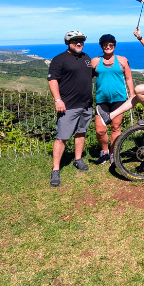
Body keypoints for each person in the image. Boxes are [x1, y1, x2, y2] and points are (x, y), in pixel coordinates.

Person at [47, 30, 94, 187]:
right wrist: (58, 100)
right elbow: (53, 80)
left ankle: (78, 159)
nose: (79, 43)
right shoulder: (59, 59)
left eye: (81, 41)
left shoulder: (86, 58)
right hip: (68, 105)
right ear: (68, 43)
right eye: (76, 41)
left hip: (86, 104)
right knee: (62, 137)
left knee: (81, 132)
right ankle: (55, 169)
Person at [91, 34, 134, 166]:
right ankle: (104, 151)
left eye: (111, 45)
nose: (108, 47)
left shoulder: (122, 60)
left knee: (115, 127)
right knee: (100, 130)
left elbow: (128, 78)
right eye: (105, 45)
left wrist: (132, 95)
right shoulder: (95, 61)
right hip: (101, 100)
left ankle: (113, 154)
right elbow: (86, 78)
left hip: (119, 99)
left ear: (114, 46)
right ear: (102, 46)